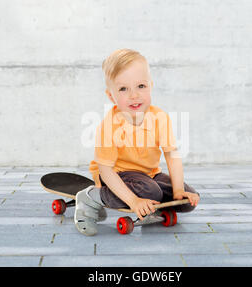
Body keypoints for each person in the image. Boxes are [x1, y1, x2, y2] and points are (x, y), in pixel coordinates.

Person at [75, 48, 200, 236]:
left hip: (148, 175)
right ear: (111, 96)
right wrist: (134, 201)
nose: (134, 95)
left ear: (150, 85)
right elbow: (106, 171)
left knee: (188, 200)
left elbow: (172, 155)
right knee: (150, 192)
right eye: (123, 89)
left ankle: (152, 206)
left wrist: (179, 190)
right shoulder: (110, 126)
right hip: (116, 175)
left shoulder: (160, 118)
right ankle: (91, 197)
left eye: (141, 86)